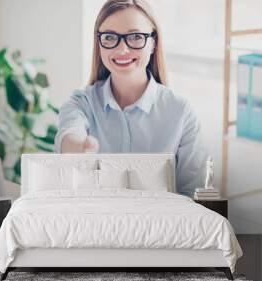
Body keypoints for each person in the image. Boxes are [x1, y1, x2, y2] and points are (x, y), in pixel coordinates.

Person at [53, 0, 208, 197]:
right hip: (97, 222)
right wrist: (80, 148)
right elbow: (69, 136)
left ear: (153, 43)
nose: (122, 49)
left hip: (162, 223)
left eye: (135, 37)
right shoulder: (82, 102)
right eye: (109, 37)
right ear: (99, 43)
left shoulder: (180, 111)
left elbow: (193, 192)